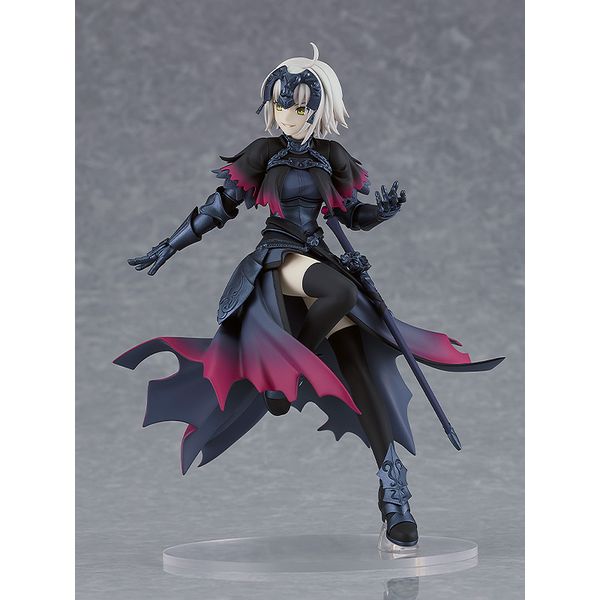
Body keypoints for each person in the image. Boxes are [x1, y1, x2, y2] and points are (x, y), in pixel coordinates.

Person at [115, 44, 502, 547]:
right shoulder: (264, 153)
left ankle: (394, 493)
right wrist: (171, 244)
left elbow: (348, 215)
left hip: (318, 256)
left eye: (299, 106)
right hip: (278, 261)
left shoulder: (331, 157)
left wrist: (381, 212)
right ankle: (293, 364)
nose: (289, 116)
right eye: (281, 105)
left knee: (363, 375)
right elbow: (220, 205)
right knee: (338, 292)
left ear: (318, 108)